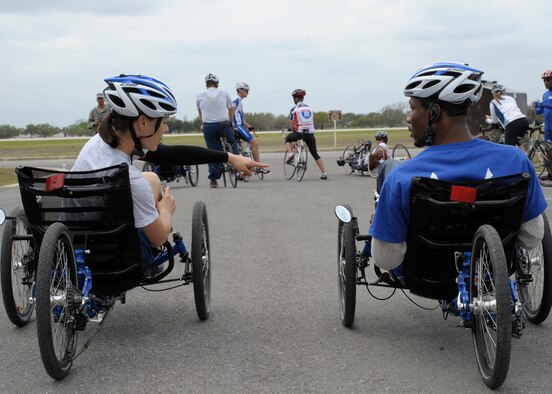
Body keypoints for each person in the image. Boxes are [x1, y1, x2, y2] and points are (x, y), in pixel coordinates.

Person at [72, 74, 268, 276]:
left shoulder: (99, 144)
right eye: (163, 121)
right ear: (143, 123)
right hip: (119, 261)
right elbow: (158, 238)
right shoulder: (130, 179)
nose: (165, 128)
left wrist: (230, 157)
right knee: (152, 198)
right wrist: (165, 210)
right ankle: (153, 265)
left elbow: (171, 154)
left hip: (81, 247)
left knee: (152, 178)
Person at [365, 62, 546, 277]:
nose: (408, 117)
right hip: (492, 272)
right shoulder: (516, 160)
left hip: (425, 276)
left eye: (413, 107)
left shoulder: (401, 176)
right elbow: (532, 237)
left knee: (389, 171)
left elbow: (386, 259)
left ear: (434, 111)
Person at [196, 73, 239, 188]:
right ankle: (237, 165)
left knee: (213, 152)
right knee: (233, 142)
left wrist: (202, 124)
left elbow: (200, 112)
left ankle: (213, 179)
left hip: (208, 126)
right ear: (217, 84)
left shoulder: (199, 95)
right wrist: (231, 122)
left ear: (206, 85)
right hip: (224, 125)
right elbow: (231, 109)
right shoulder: (224, 93)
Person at [285, 89, 328, 179]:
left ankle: (291, 155)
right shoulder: (310, 108)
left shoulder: (294, 109)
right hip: (310, 134)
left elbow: (292, 126)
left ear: (296, 99)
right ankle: (324, 173)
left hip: (300, 133)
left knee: (288, 139)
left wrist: (292, 129)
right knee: (315, 154)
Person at [232, 82, 269, 175]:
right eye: (246, 91)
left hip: (239, 125)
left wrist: (249, 126)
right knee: (254, 143)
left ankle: (245, 169)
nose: (247, 93)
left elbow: (240, 118)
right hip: (238, 127)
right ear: (240, 90)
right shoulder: (236, 99)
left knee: (242, 148)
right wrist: (232, 123)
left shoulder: (239, 101)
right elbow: (231, 110)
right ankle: (259, 166)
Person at [532, 70, 552, 141]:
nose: (546, 82)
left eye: (548, 80)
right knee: (547, 148)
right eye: (544, 80)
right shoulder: (545, 94)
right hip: (547, 126)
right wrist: (535, 110)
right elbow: (542, 109)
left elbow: (545, 105)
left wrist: (544, 104)